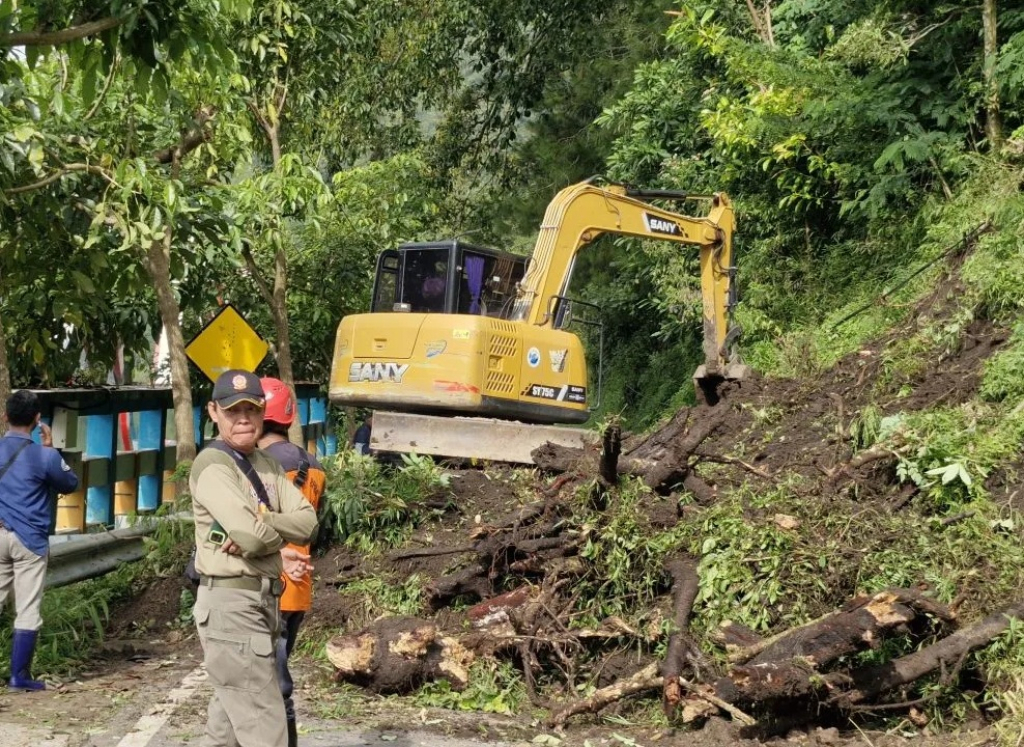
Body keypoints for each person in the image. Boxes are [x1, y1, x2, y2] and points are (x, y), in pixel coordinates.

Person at [190, 370, 317, 747]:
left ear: (264, 413)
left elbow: (308, 522)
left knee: (227, 728)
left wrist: (261, 522)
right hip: (233, 604)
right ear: (214, 412)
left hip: (262, 601)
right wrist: (264, 532)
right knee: (266, 727)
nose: (243, 417)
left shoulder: (267, 464)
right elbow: (247, 535)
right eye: (233, 410)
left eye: (251, 408)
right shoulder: (213, 465)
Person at [258, 377, 326, 747]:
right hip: (299, 583)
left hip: (267, 581)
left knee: (272, 682)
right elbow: (316, 528)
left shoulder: (260, 465)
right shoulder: (312, 465)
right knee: (278, 672)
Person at [0, 389, 79, 691]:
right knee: (28, 607)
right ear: (36, 420)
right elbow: (70, 483)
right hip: (29, 540)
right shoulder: (44, 456)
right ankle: (19, 676)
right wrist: (50, 448)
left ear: (5, 417)